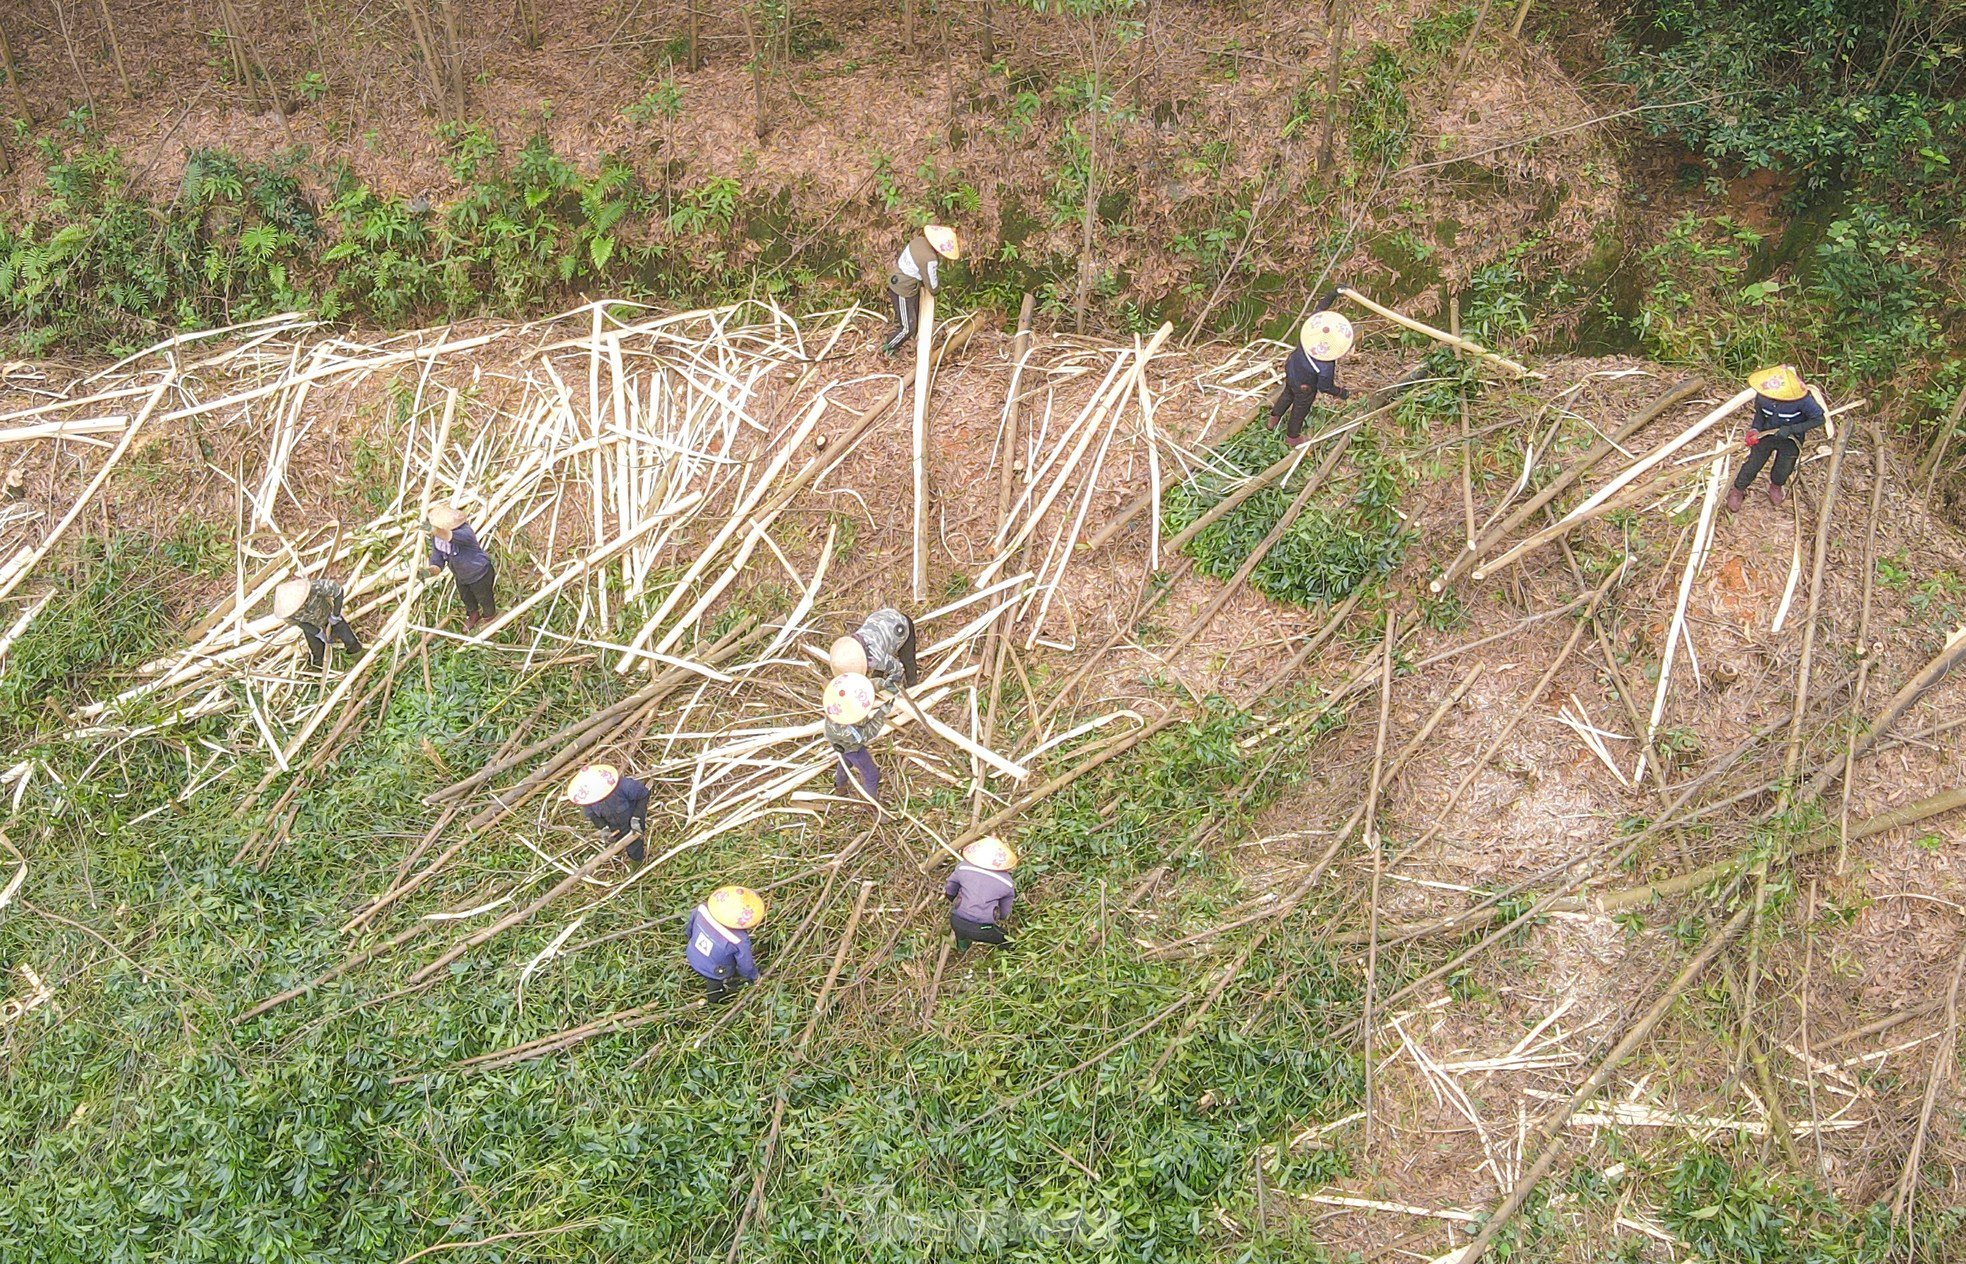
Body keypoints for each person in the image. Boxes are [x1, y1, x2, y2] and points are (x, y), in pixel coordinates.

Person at [1728, 365, 1827, 512]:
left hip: (1791, 439)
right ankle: (1738, 490)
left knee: (1784, 467)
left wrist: (1792, 429)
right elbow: (1760, 414)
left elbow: (1819, 419)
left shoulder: (1803, 400)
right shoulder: (1763, 395)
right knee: (1753, 464)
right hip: (1767, 434)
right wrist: (1755, 429)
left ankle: (1776, 486)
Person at [1272, 290, 1354, 448]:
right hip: (1305, 385)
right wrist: (1341, 393)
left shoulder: (1311, 330)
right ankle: (1292, 437)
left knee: (1287, 393)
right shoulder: (1325, 365)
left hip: (1292, 367)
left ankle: (1273, 418)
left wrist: (1333, 293)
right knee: (1300, 409)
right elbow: (1325, 387)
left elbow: (1320, 308)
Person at [882, 224, 962, 355]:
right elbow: (932, 285)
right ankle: (888, 347)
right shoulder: (929, 259)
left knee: (915, 315)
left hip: (902, 279)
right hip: (902, 289)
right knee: (908, 326)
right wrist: (937, 291)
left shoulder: (918, 241)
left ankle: (916, 341)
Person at [685, 885, 765, 1003]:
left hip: (692, 953)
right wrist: (754, 976)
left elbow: (689, 929)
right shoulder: (739, 939)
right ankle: (715, 1000)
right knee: (715, 985)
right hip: (714, 970)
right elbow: (745, 965)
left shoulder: (702, 909)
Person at [823, 673, 891, 803]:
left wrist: (883, 684)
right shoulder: (843, 729)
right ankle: (869, 804)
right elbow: (866, 734)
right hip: (851, 747)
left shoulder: (840, 693)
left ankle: (840, 787)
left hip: (843, 746)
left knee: (845, 761)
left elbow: (863, 687)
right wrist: (882, 713)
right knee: (872, 775)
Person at [566, 763, 651, 865]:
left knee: (634, 849)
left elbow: (644, 794)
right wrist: (603, 828)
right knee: (615, 843)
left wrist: (637, 817)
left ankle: (638, 866)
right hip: (613, 828)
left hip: (631, 824)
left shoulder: (624, 786)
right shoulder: (589, 799)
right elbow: (592, 815)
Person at [427, 502, 497, 627]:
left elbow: (448, 536)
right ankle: (473, 615)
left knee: (484, 597)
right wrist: (431, 570)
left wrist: (428, 528)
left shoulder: (464, 532)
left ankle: (489, 618)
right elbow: (437, 557)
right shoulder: (437, 539)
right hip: (461, 575)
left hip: (479, 572)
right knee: (466, 597)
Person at [945, 836, 1017, 952]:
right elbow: (1005, 911)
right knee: (1004, 939)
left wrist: (953, 899)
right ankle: (1009, 953)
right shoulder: (1006, 882)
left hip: (956, 920)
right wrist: (999, 917)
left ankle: (962, 948)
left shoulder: (963, 867)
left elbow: (950, 888)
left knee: (961, 933)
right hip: (983, 928)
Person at [273, 576, 363, 667]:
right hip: (311, 625)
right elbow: (298, 623)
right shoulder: (286, 612)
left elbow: (338, 590)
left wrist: (335, 615)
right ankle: (320, 670)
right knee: (317, 653)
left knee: (351, 641)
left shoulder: (314, 588)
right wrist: (317, 632)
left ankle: (358, 662)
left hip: (328, 616)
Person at [829, 607, 917, 692]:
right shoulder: (854, 641)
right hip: (882, 619)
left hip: (900, 625)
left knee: (907, 660)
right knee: (880, 666)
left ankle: (913, 686)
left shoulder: (875, 658)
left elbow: (897, 669)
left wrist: (889, 686)